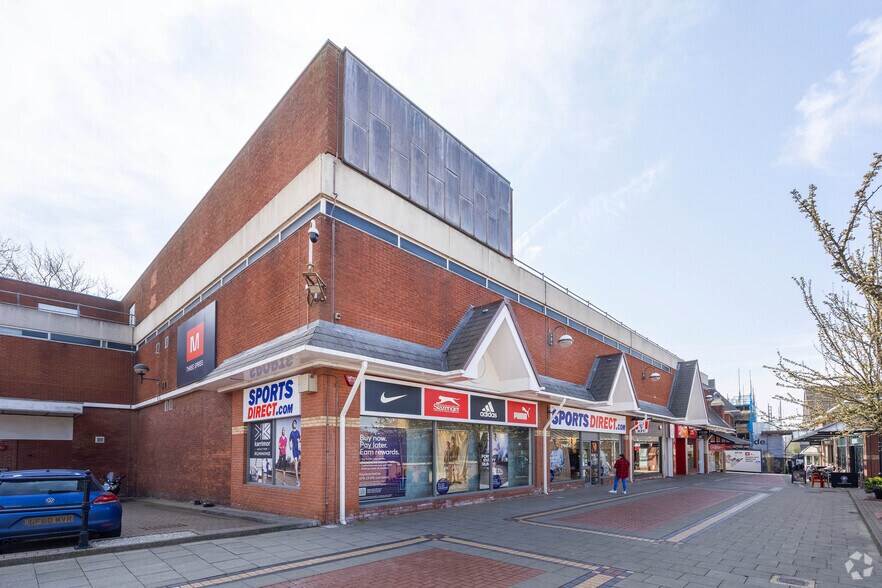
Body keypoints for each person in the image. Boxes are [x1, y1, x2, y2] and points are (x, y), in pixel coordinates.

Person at [289, 420, 301, 488]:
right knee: (296, 463)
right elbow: (289, 440)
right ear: (292, 425)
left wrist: (299, 440)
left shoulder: (298, 432)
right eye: (293, 423)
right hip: (294, 450)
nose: (294, 424)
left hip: (298, 450)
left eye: (295, 423)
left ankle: (297, 478)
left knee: (298, 464)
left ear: (296, 425)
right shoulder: (291, 433)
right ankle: (297, 480)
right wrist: (289, 446)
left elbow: (300, 440)